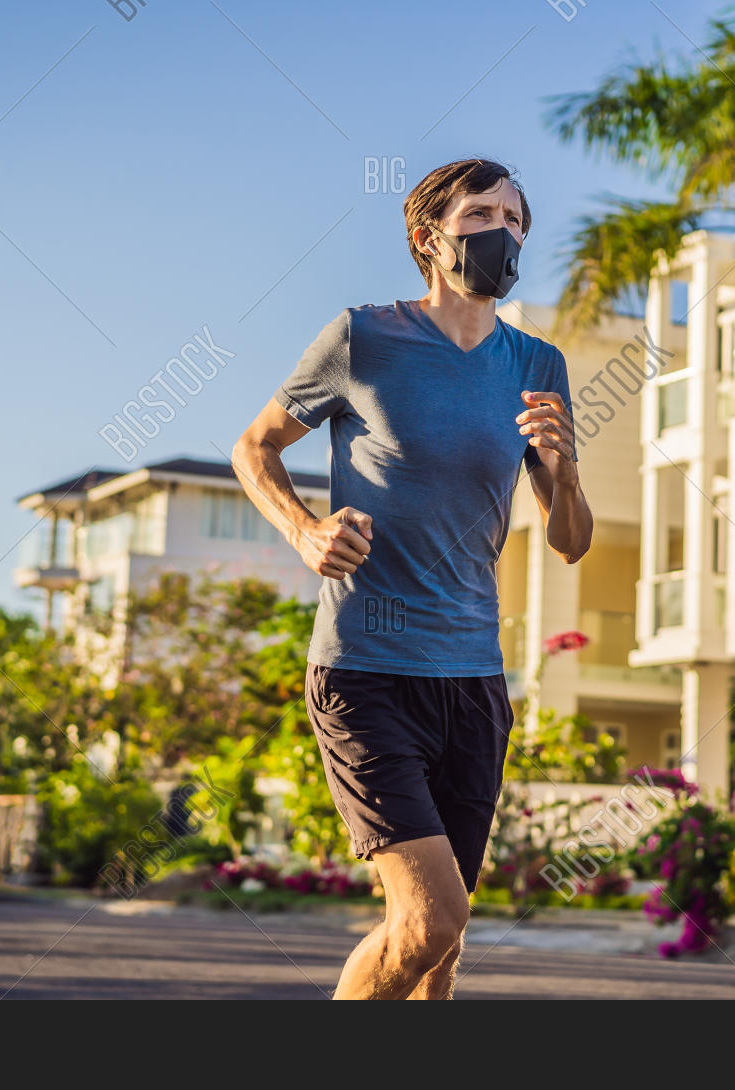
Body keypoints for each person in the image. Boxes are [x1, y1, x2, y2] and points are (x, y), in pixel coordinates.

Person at [232, 157, 592, 999]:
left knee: (439, 946)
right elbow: (255, 447)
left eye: (515, 217)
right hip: (366, 672)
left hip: (471, 681)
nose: (502, 231)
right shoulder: (364, 338)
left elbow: (570, 542)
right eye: (480, 214)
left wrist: (565, 475)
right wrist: (306, 531)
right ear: (431, 238)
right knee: (431, 921)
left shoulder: (536, 364)